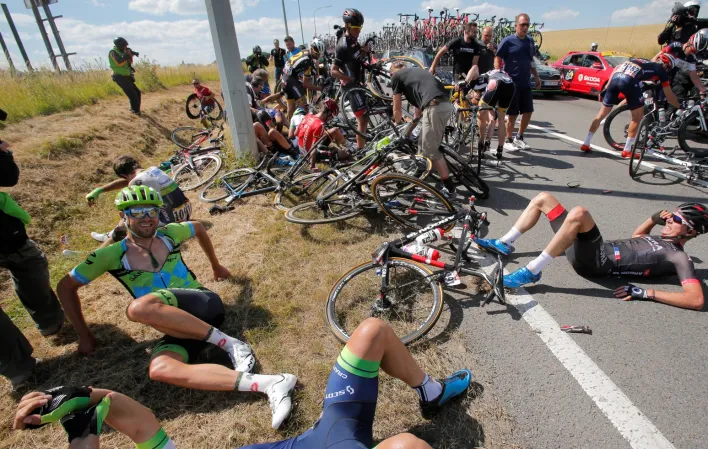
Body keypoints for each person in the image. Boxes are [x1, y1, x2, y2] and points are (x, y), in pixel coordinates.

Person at [14, 318, 472, 449]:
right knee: (408, 446)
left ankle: (430, 393)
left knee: (372, 332)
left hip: (326, 438)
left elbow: (138, 422)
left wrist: (81, 397)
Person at [57, 186, 297, 428]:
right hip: (179, 326)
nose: (147, 217)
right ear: (123, 216)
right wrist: (83, 334)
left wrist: (216, 266)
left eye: (152, 211)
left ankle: (230, 344)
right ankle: (270, 383)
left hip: (205, 304)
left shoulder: (169, 233)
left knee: (137, 309)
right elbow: (65, 287)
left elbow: (199, 227)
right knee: (160, 368)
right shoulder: (109, 255)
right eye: (138, 212)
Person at [475, 192, 708, 310]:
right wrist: (653, 219)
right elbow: (637, 238)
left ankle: (531, 272)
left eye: (677, 220)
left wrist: (647, 293)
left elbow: (696, 299)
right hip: (584, 248)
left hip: (598, 262)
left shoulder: (679, 257)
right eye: (672, 215)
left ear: (691, 232)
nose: (670, 219)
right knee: (544, 198)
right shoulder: (660, 240)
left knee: (579, 213)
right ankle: (505, 242)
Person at [1, 133, 66, 391]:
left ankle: (49, 323)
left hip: (7, 236)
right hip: (7, 234)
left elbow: (7, 177)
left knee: (30, 266)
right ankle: (19, 368)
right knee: (29, 264)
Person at [580, 54, 681, 158]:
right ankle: (627, 150)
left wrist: (606, 87)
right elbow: (669, 96)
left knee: (600, 114)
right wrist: (679, 106)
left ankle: (586, 143)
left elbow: (617, 67)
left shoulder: (643, 60)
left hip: (615, 78)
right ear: (667, 66)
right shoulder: (661, 69)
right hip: (628, 81)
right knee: (637, 117)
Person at [86, 156, 191, 246]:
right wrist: (100, 190)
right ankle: (111, 234)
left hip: (171, 222)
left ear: (123, 176)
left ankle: (113, 237)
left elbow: (131, 186)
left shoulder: (136, 181)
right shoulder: (153, 169)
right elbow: (130, 180)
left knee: (131, 213)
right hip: (186, 212)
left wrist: (98, 190)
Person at [390, 63, 457, 197]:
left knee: (430, 150)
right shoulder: (416, 75)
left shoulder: (396, 77)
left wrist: (397, 125)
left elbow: (397, 108)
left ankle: (450, 189)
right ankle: (420, 178)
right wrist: (408, 132)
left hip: (434, 107)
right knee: (422, 145)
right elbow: (417, 115)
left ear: (392, 73)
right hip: (445, 104)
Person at [495, 14, 541, 152]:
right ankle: (508, 140)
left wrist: (537, 76)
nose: (525, 27)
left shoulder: (530, 41)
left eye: (527, 25)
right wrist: (498, 74)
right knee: (513, 113)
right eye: (522, 25)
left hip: (525, 82)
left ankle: (519, 137)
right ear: (516, 25)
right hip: (511, 83)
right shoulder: (507, 41)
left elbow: (531, 60)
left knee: (528, 111)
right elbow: (497, 58)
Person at [331, 8, 370, 150]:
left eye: (360, 28)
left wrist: (363, 52)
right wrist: (348, 78)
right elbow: (333, 71)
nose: (358, 31)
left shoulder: (353, 40)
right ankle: (360, 150)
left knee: (365, 118)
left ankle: (362, 146)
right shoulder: (342, 45)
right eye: (356, 28)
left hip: (358, 84)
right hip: (351, 88)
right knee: (362, 119)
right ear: (347, 26)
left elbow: (355, 58)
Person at [264, 38, 325, 119]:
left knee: (291, 106)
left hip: (286, 77)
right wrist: (320, 88)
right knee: (303, 106)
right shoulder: (307, 60)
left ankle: (290, 125)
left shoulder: (305, 52)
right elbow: (306, 84)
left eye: (320, 54)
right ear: (312, 49)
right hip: (290, 80)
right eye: (317, 54)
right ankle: (301, 125)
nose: (318, 56)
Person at [660, 29, 708, 109]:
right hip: (661, 75)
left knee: (678, 103)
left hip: (674, 81)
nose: (692, 52)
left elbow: (694, 76)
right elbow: (659, 55)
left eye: (695, 51)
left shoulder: (692, 57)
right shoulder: (676, 45)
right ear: (688, 43)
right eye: (691, 49)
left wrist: (703, 90)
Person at [471, 70, 516, 160]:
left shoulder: (482, 76)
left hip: (495, 83)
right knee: (501, 119)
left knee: (481, 113)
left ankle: (481, 145)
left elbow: (477, 92)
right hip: (510, 85)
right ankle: (499, 149)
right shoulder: (500, 72)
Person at [296, 99, 354, 169]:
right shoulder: (320, 125)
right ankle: (349, 151)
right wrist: (312, 167)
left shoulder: (308, 116)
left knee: (335, 130)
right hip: (309, 155)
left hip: (301, 149)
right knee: (345, 153)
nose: (331, 119)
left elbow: (296, 133)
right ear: (328, 113)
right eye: (332, 117)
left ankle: (350, 145)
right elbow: (313, 149)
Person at [109, 37, 142, 116]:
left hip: (126, 76)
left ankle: (134, 110)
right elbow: (119, 63)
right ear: (119, 45)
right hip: (119, 76)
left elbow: (128, 62)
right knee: (133, 95)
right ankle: (136, 112)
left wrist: (131, 55)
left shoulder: (123, 51)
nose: (126, 47)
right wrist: (126, 55)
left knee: (137, 93)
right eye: (124, 46)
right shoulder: (113, 52)